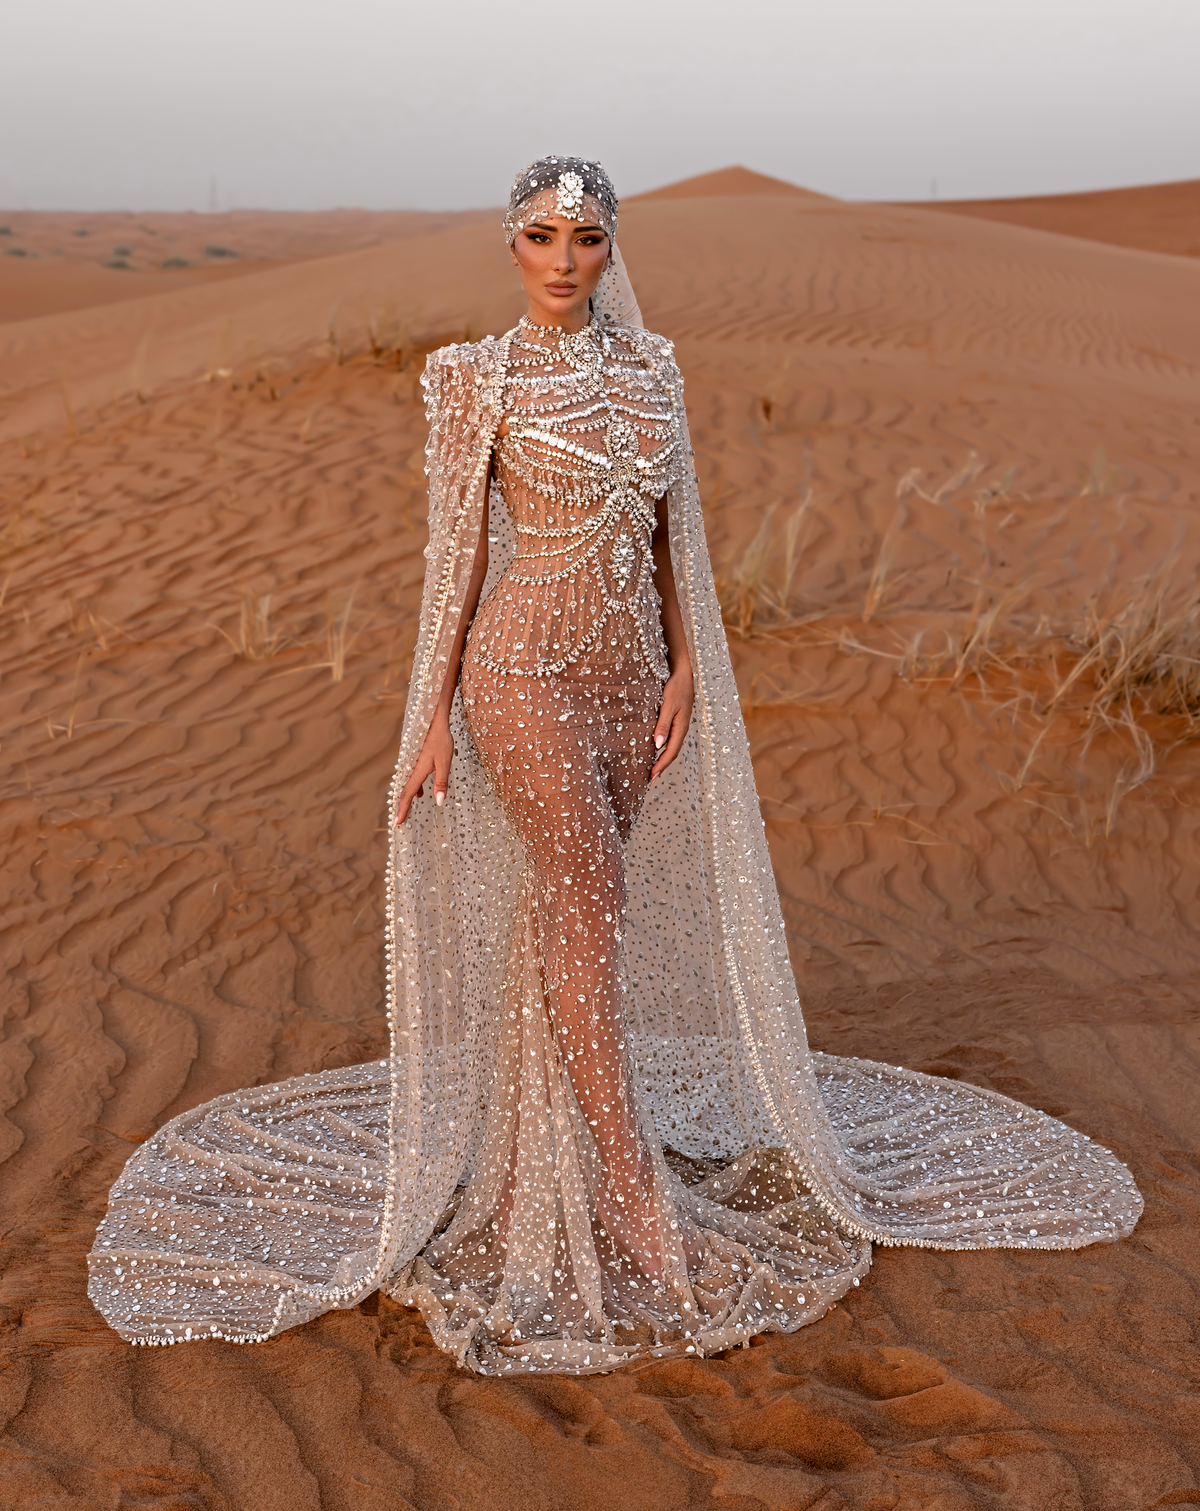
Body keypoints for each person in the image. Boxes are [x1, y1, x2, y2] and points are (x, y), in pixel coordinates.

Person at [89, 157, 1142, 1375]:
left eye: (584, 238)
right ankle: (636, 1197)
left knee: (580, 914)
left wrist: (687, 665)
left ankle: (556, 1144)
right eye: (538, 236)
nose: (560, 260)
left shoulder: (655, 373)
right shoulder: (473, 378)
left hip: (632, 689)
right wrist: (428, 717)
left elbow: (673, 538)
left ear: (610, 249)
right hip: (520, 679)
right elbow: (454, 567)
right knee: (588, 906)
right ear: (512, 246)